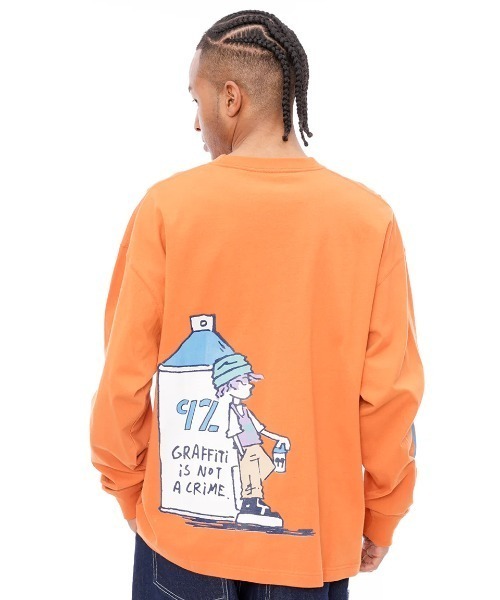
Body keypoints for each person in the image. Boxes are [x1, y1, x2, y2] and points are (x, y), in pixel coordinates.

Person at [89, 9, 425, 600]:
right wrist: (382, 514)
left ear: (231, 97)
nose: (196, 122)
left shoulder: (166, 209)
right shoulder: (368, 221)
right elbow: (390, 399)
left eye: (196, 100)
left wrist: (129, 489)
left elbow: (124, 375)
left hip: (181, 538)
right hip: (310, 545)